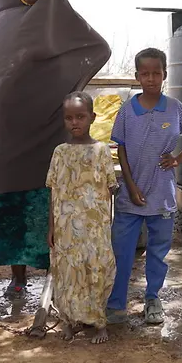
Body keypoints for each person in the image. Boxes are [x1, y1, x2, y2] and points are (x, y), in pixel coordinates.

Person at [0, 0, 110, 301]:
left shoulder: (56, 20)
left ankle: (54, 279)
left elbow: (95, 47)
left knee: (43, 207)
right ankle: (16, 278)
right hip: (3, 133)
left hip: (43, 130)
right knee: (8, 201)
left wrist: (63, 88)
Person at [106, 48, 182, 326]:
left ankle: (152, 299)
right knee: (122, 250)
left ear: (164, 75)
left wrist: (178, 158)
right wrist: (131, 185)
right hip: (130, 196)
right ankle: (116, 303)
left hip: (162, 196)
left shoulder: (174, 108)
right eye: (145, 74)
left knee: (158, 253)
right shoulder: (127, 111)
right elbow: (120, 148)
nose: (150, 78)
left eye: (156, 73)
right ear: (137, 77)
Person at [47, 93, 118, 344]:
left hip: (94, 228)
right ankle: (69, 321)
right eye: (68, 118)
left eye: (80, 117)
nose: (74, 122)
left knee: (97, 269)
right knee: (66, 272)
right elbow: (53, 191)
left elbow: (110, 189)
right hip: (66, 227)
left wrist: (106, 225)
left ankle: (99, 323)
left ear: (92, 118)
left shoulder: (101, 151)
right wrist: (52, 227)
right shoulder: (60, 153)